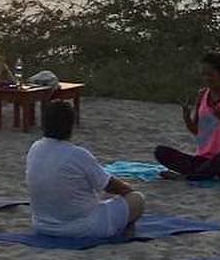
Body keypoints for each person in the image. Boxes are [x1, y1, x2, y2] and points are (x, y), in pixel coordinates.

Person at [27, 100, 145, 239]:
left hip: (42, 226)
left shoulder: (35, 148)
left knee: (103, 195)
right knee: (138, 199)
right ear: (70, 125)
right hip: (81, 228)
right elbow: (111, 185)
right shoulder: (78, 154)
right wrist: (129, 191)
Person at [155, 51, 220, 180]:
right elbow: (197, 131)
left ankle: (188, 177)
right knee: (161, 151)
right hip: (203, 159)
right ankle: (198, 174)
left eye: (210, 75)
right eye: (203, 75)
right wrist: (187, 117)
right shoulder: (202, 95)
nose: (206, 78)